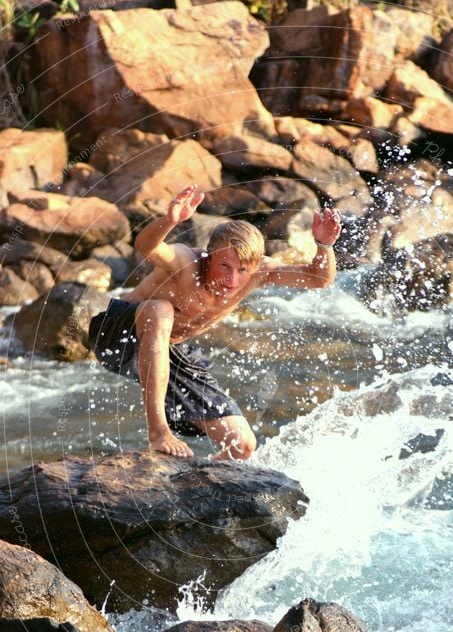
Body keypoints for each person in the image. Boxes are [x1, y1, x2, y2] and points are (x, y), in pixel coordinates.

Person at [88, 184, 342, 460]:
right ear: (209, 257)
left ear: (254, 266)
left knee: (242, 446)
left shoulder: (260, 273)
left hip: (172, 349)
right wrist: (170, 220)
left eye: (242, 270)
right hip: (117, 332)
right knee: (161, 311)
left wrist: (324, 246)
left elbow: (319, 279)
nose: (231, 280)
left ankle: (195, 480)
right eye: (224, 267)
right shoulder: (186, 262)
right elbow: (147, 247)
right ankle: (159, 432)